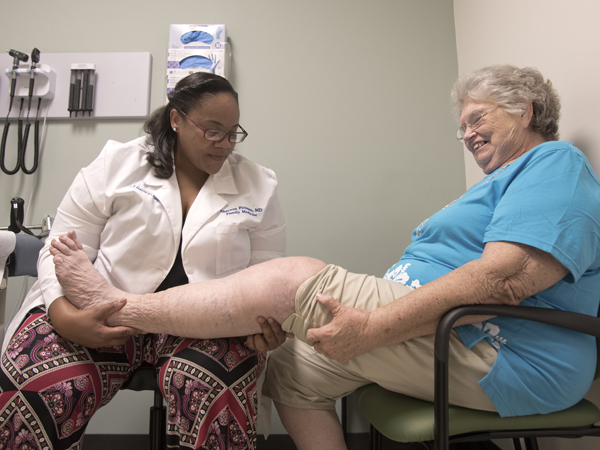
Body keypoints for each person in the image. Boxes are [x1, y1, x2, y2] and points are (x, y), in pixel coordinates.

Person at [27, 64, 600, 450]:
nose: (468, 134)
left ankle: (118, 305)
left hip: (502, 348)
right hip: (451, 333)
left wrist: (373, 326)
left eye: (477, 119)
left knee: (287, 281)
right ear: (176, 121)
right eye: (462, 126)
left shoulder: (552, 163)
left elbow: (508, 278)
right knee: (291, 372)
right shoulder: (498, 184)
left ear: (525, 110)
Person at [0, 72, 288, 450]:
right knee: (32, 384)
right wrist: (63, 316)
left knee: (217, 391)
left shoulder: (258, 185)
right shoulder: (117, 164)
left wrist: (267, 328)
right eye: (213, 131)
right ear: (176, 120)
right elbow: (63, 247)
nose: (225, 144)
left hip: (203, 326)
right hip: (101, 309)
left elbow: (266, 278)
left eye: (234, 132)